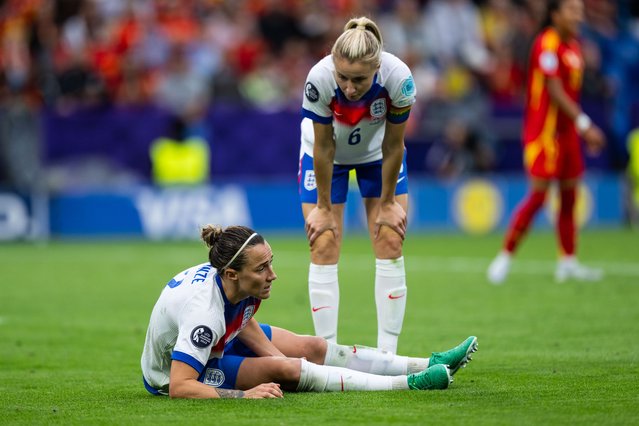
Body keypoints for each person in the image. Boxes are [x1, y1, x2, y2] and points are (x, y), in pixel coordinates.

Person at [141, 225, 478, 398]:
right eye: (262, 268)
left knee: (313, 348)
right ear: (233, 275)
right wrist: (243, 395)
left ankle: (429, 363)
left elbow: (238, 320)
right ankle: (408, 384)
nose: (272, 274)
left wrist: (286, 361)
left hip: (216, 341)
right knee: (285, 370)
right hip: (180, 371)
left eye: (270, 262)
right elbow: (179, 387)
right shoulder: (204, 314)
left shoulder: (235, 279)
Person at [299, 17, 415, 353]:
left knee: (390, 238)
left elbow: (395, 145)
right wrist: (323, 209)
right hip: (326, 158)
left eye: (359, 80)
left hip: (377, 155)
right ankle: (328, 352)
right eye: (343, 78)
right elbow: (324, 148)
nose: (349, 88)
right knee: (323, 241)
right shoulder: (319, 78)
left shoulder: (399, 79)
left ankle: (387, 353)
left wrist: (390, 201)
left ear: (377, 68)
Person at [487, 0, 606, 285]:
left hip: (568, 136)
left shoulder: (574, 47)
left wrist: (577, 129)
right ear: (555, 14)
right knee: (539, 196)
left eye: (579, 11)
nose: (578, 16)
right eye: (572, 11)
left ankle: (568, 262)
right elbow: (553, 91)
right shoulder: (547, 44)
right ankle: (504, 257)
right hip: (543, 134)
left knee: (569, 197)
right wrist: (585, 124)